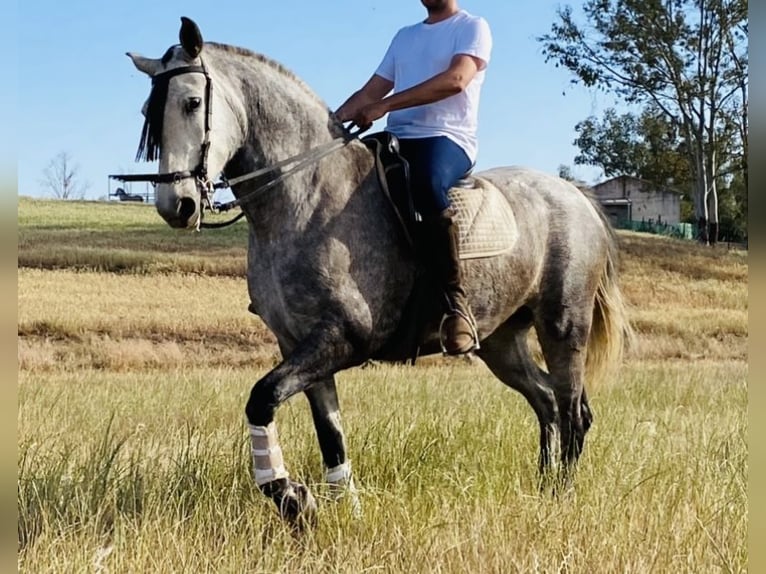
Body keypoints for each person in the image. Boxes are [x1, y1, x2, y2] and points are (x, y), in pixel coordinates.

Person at [335, 0, 492, 355]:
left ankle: (455, 304)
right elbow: (369, 92)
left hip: (448, 138)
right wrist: (330, 125)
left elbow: (457, 80)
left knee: (425, 183)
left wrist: (386, 106)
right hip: (397, 139)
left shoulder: (472, 27)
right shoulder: (405, 36)